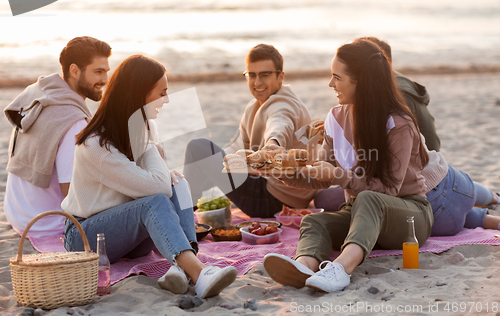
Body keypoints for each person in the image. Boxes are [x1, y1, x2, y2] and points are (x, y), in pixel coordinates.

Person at [263, 39, 433, 293]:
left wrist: (341, 176)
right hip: (360, 216)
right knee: (314, 222)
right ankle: (304, 267)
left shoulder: (399, 124)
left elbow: (387, 190)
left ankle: (341, 268)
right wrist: (284, 173)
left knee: (368, 198)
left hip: (408, 216)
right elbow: (321, 175)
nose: (331, 84)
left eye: (336, 77)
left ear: (360, 81)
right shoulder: (336, 117)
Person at [61, 54, 237, 298]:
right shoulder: (95, 146)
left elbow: (162, 183)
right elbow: (158, 188)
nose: (166, 100)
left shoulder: (144, 126)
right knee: (159, 196)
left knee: (179, 182)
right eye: (161, 93)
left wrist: (162, 168)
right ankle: (199, 274)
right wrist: (154, 152)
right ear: (138, 95)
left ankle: (183, 266)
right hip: (86, 238)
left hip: (127, 234)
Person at [314, 37, 500, 235]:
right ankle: (485, 209)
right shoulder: (360, 106)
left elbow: (391, 182)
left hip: (437, 185)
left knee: (460, 200)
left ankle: (494, 199)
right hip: (432, 193)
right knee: (326, 198)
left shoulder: (392, 109)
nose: (331, 83)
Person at [183, 44, 317, 218]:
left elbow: (279, 124)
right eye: (251, 75)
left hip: (273, 200)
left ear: (280, 77)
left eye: (265, 75)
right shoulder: (254, 107)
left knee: (198, 148)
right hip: (273, 191)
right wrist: (203, 167)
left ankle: (185, 215)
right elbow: (235, 149)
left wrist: (272, 143)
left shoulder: (284, 104)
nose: (257, 82)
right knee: (200, 163)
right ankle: (185, 194)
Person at [3, 36, 111, 238]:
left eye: (106, 71)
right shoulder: (73, 121)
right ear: (74, 70)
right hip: (48, 223)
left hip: (18, 213)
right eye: (98, 72)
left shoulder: (38, 95)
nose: (105, 80)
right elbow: (71, 194)